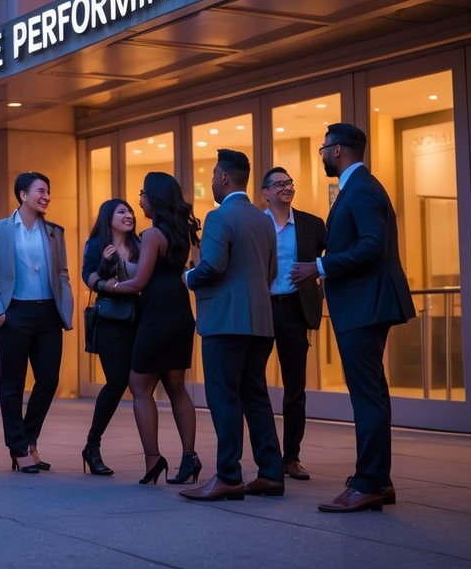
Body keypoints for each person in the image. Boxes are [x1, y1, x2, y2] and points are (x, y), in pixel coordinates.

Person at [292, 123, 415, 513]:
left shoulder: (361, 189)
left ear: (338, 150)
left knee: (367, 396)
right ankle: (378, 478)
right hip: (364, 304)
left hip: (365, 305)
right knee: (370, 393)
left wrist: (320, 266)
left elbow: (372, 247)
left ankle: (368, 484)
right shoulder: (358, 187)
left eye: (324, 149)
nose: (323, 155)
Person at [180, 149, 283, 502]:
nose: (211, 182)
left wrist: (188, 277)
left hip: (224, 322)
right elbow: (271, 272)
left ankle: (228, 476)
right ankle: (271, 473)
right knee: (255, 396)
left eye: (212, 176)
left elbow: (212, 266)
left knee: (224, 398)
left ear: (224, 178)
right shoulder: (263, 219)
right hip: (260, 323)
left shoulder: (219, 217)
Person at [102, 174, 200, 486]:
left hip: (157, 311)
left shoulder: (153, 234)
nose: (139, 198)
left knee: (139, 385)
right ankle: (189, 457)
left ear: (154, 198)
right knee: (176, 386)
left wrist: (110, 286)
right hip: (180, 308)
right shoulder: (184, 232)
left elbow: (139, 282)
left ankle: (153, 460)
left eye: (143, 193)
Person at [0, 171, 74, 474]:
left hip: (48, 316)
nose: (46, 196)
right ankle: (18, 449)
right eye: (40, 191)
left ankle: (29, 439)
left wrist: (64, 307)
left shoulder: (55, 232)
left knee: (48, 380)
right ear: (23, 195)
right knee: (12, 384)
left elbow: (62, 273)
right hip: (14, 314)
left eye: (48, 191)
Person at [259, 166, 327, 481]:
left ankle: (291, 457)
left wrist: (318, 273)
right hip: (261, 310)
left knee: (295, 388)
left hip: (295, 312)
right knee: (254, 385)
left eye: (289, 182)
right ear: (265, 193)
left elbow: (331, 259)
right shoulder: (257, 225)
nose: (286, 187)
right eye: (279, 184)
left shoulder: (312, 225)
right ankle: (266, 456)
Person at [79, 199, 142, 476]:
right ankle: (92, 445)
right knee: (116, 382)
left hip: (140, 319)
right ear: (109, 217)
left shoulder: (140, 244)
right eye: (122, 211)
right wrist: (105, 273)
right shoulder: (96, 245)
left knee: (141, 383)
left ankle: (153, 453)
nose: (129, 215)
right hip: (110, 320)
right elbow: (88, 277)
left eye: (130, 211)